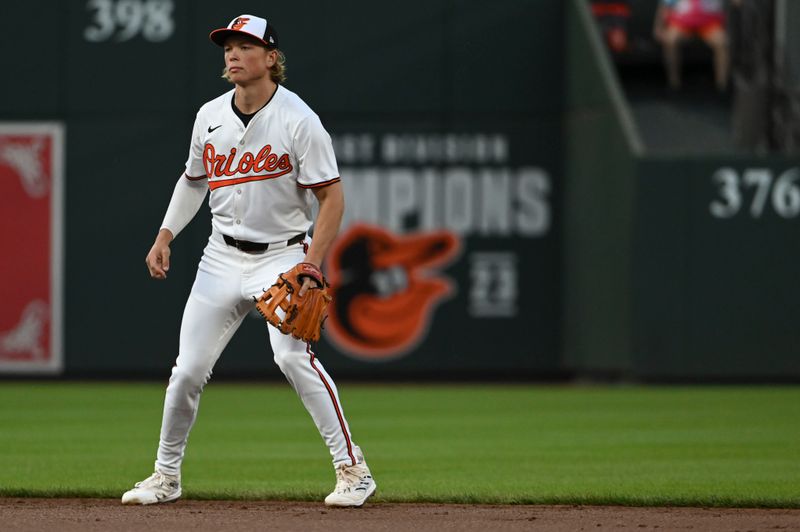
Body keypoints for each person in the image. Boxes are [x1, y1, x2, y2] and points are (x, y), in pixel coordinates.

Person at [121, 14, 376, 508]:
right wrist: (165, 235)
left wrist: (311, 264)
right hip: (219, 256)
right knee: (188, 370)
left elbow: (332, 197)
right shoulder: (209, 115)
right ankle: (165, 476)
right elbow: (194, 180)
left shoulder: (299, 120)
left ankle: (353, 470)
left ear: (272, 58)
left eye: (245, 46)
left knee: (291, 358)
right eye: (228, 47)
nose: (233, 54)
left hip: (281, 256)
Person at [653, 0, 740, 91]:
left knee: (722, 43)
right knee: (670, 40)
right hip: (681, 23)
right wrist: (658, 27)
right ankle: (674, 83)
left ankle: (722, 85)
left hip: (709, 23)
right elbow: (665, 7)